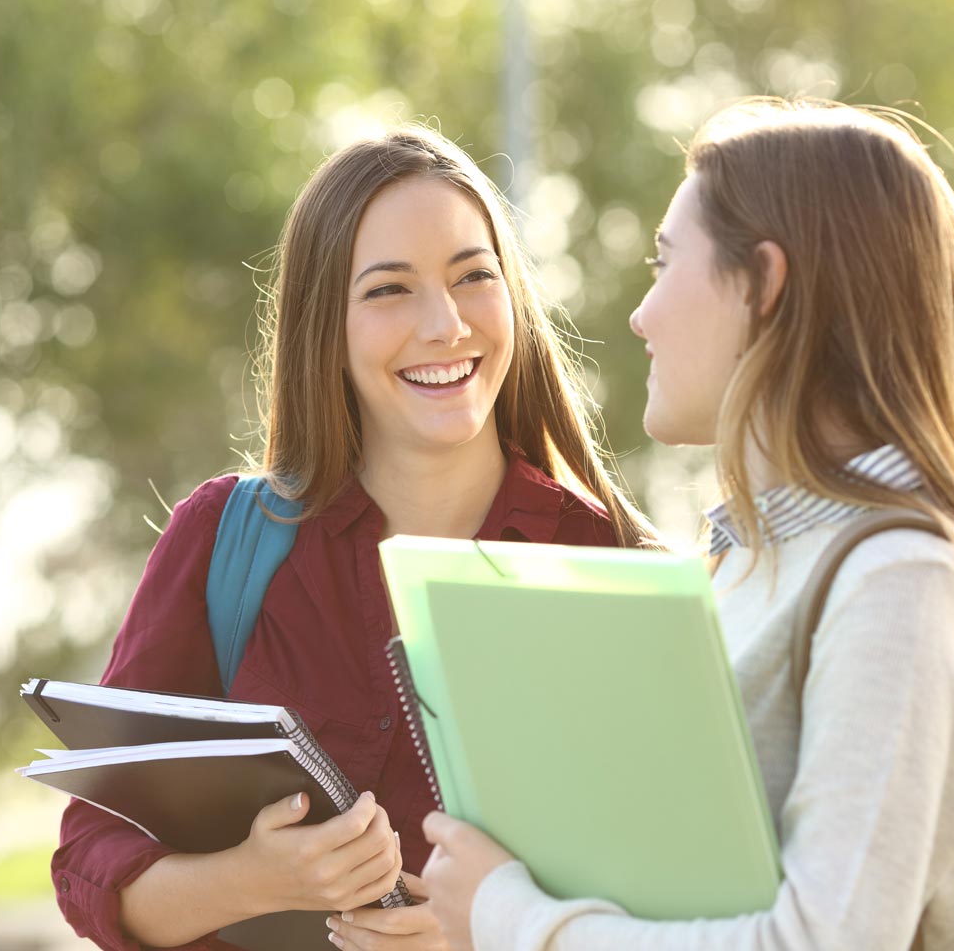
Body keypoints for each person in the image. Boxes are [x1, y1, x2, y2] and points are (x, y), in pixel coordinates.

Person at [419, 98, 954, 951]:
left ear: (766, 284)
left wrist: (512, 918)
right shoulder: (751, 561)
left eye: (665, 261)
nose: (641, 314)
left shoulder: (899, 578)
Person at [50, 125, 658, 951]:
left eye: (474, 276)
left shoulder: (616, 568)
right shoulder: (225, 541)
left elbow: (684, 901)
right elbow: (92, 862)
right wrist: (251, 881)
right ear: (323, 326)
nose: (444, 325)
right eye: (388, 290)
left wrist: (492, 933)